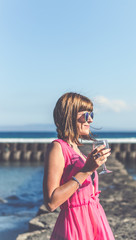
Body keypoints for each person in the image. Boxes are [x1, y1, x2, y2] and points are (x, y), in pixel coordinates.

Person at [43, 92, 115, 240]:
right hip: (75, 226)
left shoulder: (76, 150)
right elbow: (51, 203)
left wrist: (91, 167)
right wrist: (87, 170)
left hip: (94, 221)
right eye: (85, 115)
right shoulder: (57, 148)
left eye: (91, 115)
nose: (90, 120)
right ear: (69, 116)